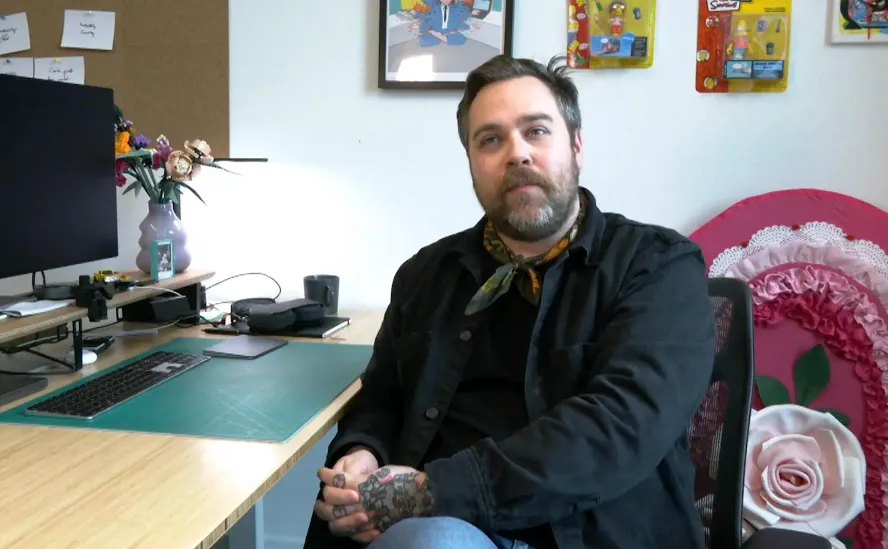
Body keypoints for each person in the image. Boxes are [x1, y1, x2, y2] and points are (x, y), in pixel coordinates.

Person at [304, 54, 716, 549]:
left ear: (576, 146)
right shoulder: (425, 274)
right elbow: (381, 397)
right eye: (491, 139)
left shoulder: (659, 267)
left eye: (536, 131)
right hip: (423, 527)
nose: (516, 153)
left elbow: (619, 427)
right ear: (472, 164)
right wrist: (362, 452)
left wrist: (428, 493)